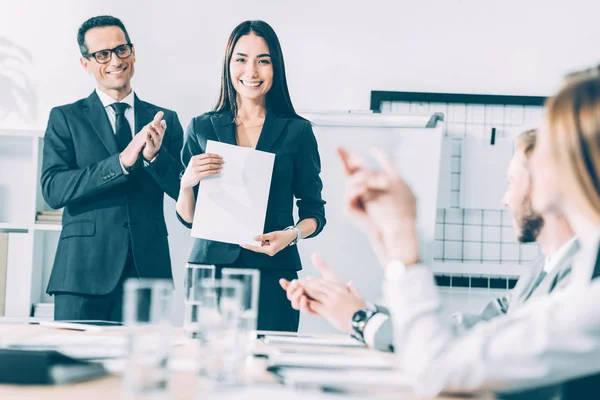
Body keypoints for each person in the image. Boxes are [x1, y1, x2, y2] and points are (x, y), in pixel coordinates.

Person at [296, 73, 600, 398]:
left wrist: (401, 240)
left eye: (552, 141)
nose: (537, 155)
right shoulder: (570, 272)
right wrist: (380, 265)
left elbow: (442, 367)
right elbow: (468, 338)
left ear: (579, 160)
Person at [282, 128, 578, 353]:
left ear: (548, 185)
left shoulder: (579, 281)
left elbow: (456, 355)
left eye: (512, 181)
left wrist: (360, 318)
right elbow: (463, 330)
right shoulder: (539, 270)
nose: (505, 199)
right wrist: (362, 310)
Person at [175, 20, 326, 332]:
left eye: (263, 61)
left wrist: (290, 235)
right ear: (228, 65)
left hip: (274, 271)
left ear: (276, 67)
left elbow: (314, 211)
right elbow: (189, 218)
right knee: (208, 366)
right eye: (241, 59)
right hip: (209, 270)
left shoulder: (297, 131)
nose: (251, 72)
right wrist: (186, 183)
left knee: (269, 367)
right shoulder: (202, 127)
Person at [41, 16, 184, 321]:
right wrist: (121, 161)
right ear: (85, 63)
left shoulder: (165, 120)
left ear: (133, 52)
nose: (115, 60)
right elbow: (53, 190)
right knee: (75, 369)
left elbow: (184, 194)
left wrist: (156, 158)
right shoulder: (65, 118)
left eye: (121, 50)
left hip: (148, 274)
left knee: (145, 369)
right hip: (81, 274)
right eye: (102, 54)